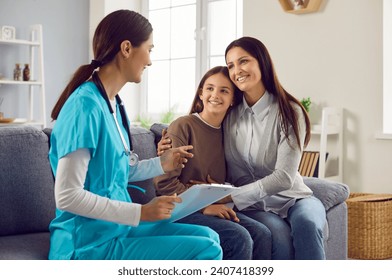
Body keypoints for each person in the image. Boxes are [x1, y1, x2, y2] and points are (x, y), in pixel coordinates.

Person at [48, 9, 222, 260]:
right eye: (149, 49)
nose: (150, 61)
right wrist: (140, 213)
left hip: (115, 229)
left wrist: (161, 163)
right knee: (207, 249)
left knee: (209, 236)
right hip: (87, 245)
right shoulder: (84, 107)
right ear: (127, 48)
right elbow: (67, 196)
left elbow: (114, 171)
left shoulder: (114, 105)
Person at [223, 36, 326, 260]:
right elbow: (200, 124)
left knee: (308, 224)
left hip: (295, 198)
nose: (237, 70)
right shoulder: (229, 115)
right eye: (230, 65)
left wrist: (231, 196)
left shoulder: (290, 111)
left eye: (243, 61)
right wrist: (169, 142)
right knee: (277, 236)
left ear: (262, 62)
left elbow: (283, 178)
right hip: (254, 206)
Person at [154, 66, 272, 260]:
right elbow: (164, 184)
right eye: (209, 88)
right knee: (238, 236)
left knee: (262, 234)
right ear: (201, 94)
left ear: (233, 99)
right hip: (179, 208)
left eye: (224, 90)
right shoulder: (183, 126)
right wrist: (203, 206)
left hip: (212, 204)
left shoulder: (230, 132)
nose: (215, 95)